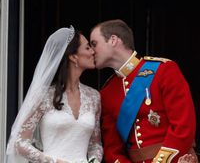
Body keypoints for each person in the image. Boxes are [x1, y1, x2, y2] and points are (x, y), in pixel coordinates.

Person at [90, 19, 197, 163]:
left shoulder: (163, 70)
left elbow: (183, 127)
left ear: (113, 40)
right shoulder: (107, 92)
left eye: (94, 44)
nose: (91, 51)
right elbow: (112, 150)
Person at [6, 26, 103, 163]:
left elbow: (95, 144)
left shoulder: (94, 97)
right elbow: (19, 142)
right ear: (73, 56)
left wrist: (93, 161)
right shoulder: (44, 95)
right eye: (87, 48)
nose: (93, 52)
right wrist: (54, 161)